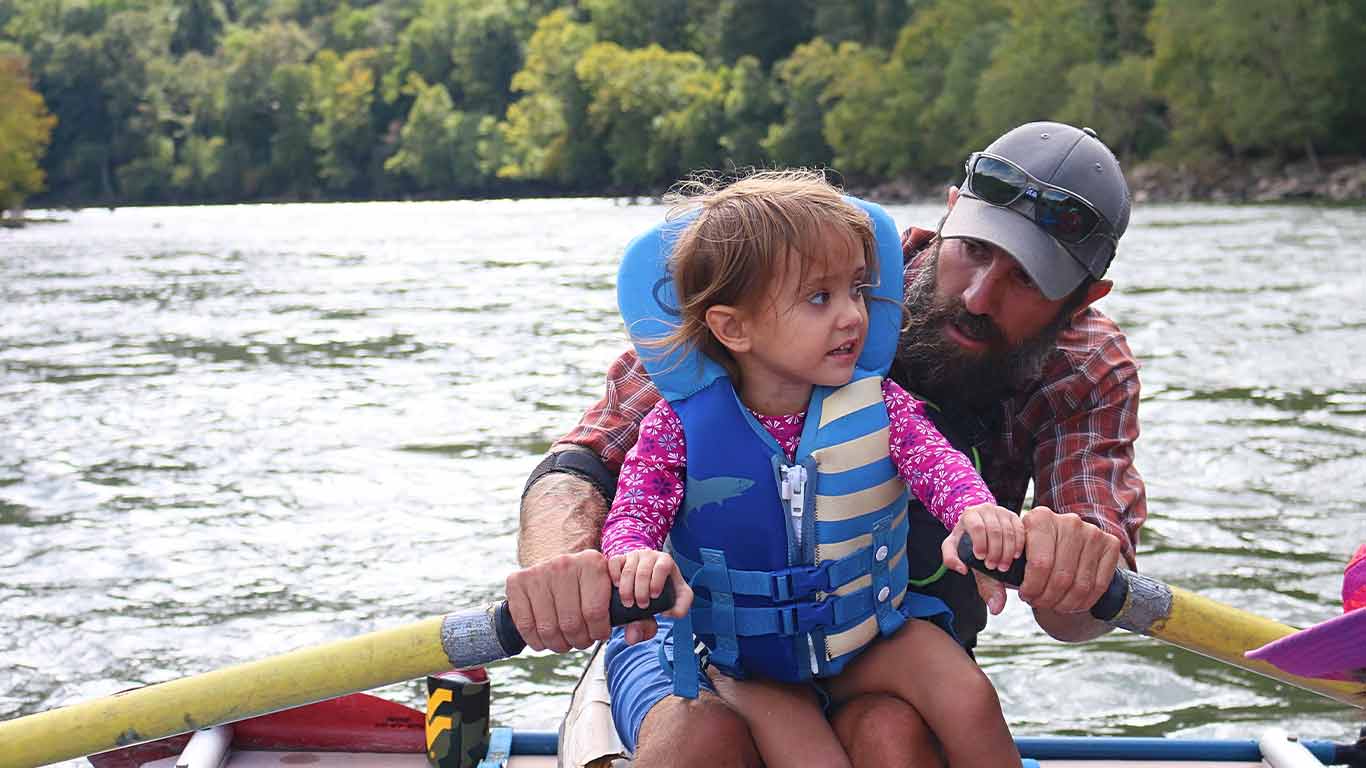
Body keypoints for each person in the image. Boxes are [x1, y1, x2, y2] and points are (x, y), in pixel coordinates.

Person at [508, 121, 1147, 768]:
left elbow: (1082, 609)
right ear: (951, 211)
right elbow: (587, 459)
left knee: (892, 740)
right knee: (700, 741)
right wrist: (559, 572)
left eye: (1028, 280)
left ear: (1083, 300)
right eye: (975, 251)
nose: (980, 296)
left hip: (880, 634)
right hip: (712, 637)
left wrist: (1080, 565)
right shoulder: (798, 276)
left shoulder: (1087, 364)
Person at [601, 170, 1024, 767]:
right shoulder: (677, 428)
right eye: (820, 298)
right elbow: (633, 519)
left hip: (870, 634)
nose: (853, 315)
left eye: (857, 289)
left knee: (969, 696)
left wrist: (976, 511)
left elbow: (941, 469)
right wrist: (634, 558)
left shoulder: (881, 406)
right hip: (749, 663)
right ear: (733, 327)